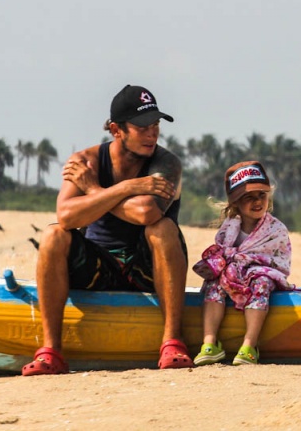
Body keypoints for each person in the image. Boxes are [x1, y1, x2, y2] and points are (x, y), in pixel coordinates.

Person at [22, 84, 192, 375]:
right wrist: (127, 187)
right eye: (142, 127)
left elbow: (146, 212)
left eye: (155, 125)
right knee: (52, 234)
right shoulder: (84, 161)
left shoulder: (166, 163)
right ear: (116, 130)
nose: (152, 133)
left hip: (148, 268)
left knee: (161, 228)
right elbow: (65, 216)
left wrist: (93, 192)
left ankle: (172, 342)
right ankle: (51, 352)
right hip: (98, 266)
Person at [191, 161, 294, 366]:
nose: (257, 202)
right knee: (214, 283)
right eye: (248, 197)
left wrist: (250, 269)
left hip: (261, 273)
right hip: (233, 273)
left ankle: (249, 345)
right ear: (236, 202)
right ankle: (210, 343)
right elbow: (221, 251)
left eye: (261, 196)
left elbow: (278, 259)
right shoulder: (229, 228)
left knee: (261, 283)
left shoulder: (276, 229)